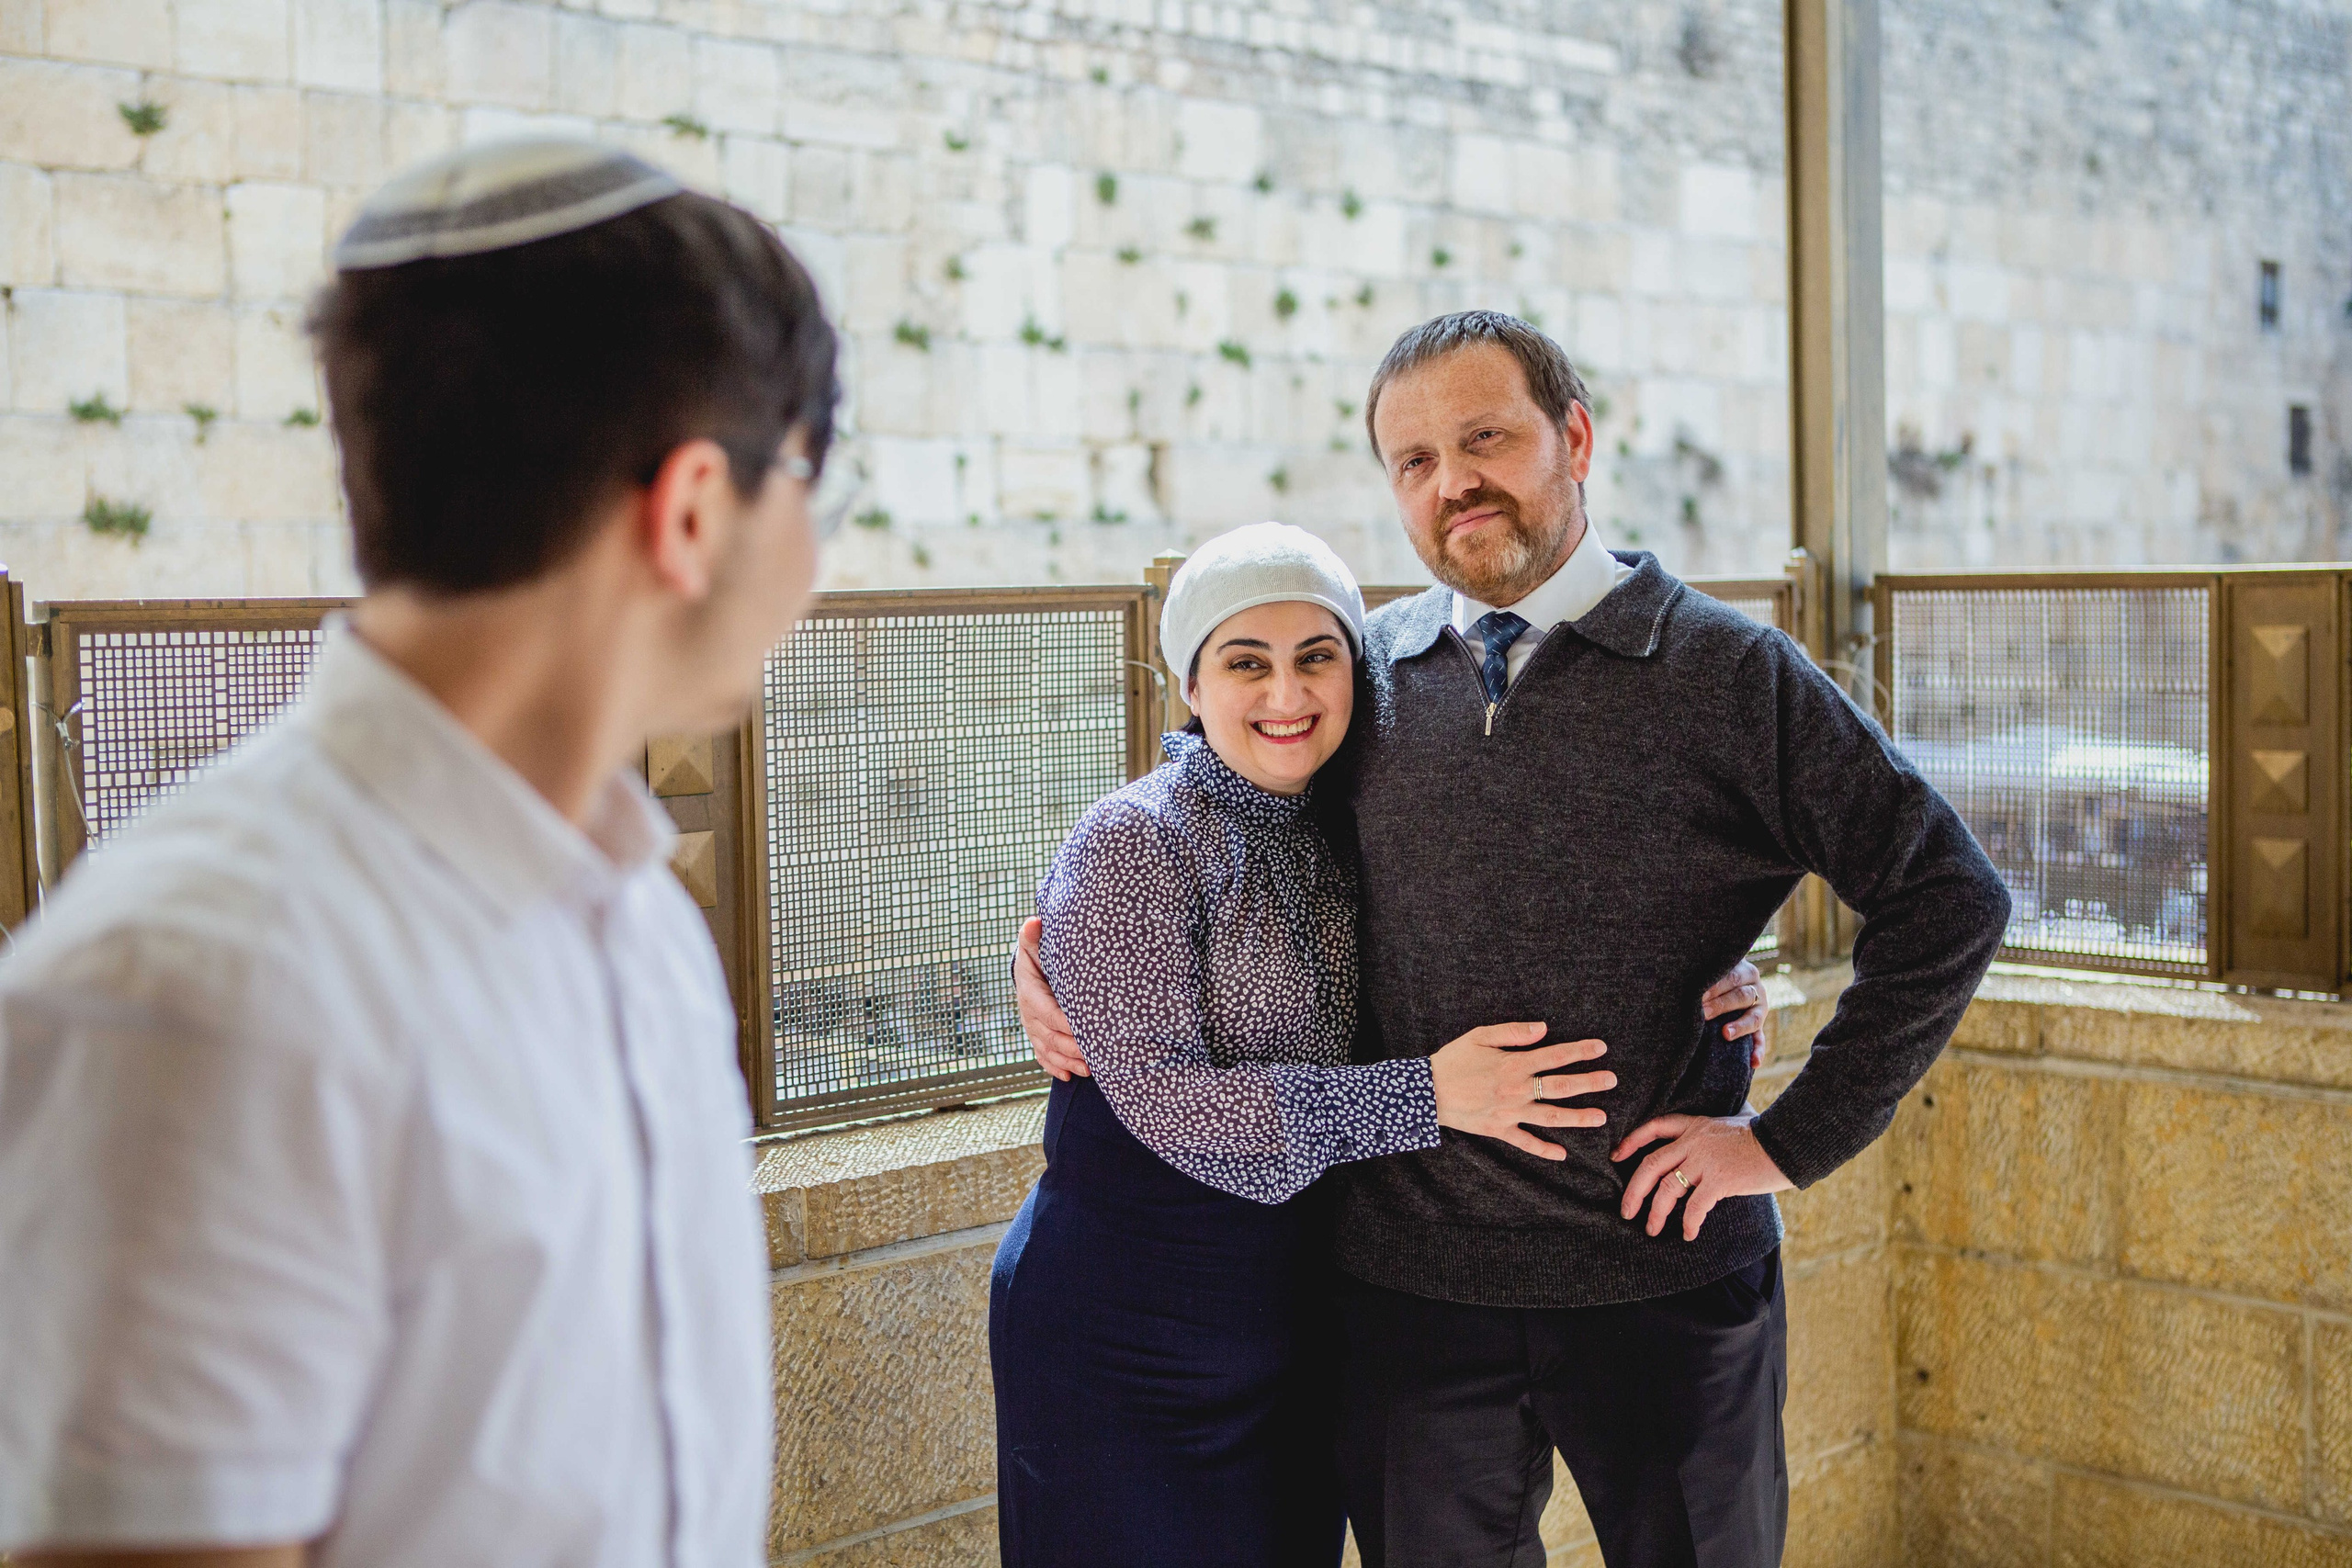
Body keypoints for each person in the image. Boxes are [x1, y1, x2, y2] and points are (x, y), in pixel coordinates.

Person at [1019, 310, 2011, 1567]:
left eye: (1486, 437)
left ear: (1576, 436)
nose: (1454, 481)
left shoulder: (1731, 672)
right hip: (1404, 1295)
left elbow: (1949, 896)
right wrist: (1051, 952)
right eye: (1414, 460)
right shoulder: (1361, 675)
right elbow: (1205, 824)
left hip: (1662, 1273)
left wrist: (1784, 1142)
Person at [0, 139, 838, 1567]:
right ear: (693, 507)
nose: (819, 557)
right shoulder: (200, 983)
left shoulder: (637, 917)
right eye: (809, 488)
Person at [989, 523, 1770, 1568]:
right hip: (1127, 1326)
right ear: (1188, 682)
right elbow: (1174, 1101)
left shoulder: (1346, 815)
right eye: (1245, 662)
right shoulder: (1136, 838)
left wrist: (1701, 976)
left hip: (1294, 1310)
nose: (1286, 693)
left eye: (1316, 657)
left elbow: (1521, 916)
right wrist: (1427, 1097)